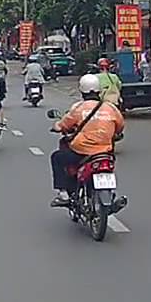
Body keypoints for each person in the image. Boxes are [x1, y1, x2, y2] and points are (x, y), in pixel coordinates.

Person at [49, 74, 125, 207]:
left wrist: (56, 126)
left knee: (57, 157)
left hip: (82, 153)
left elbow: (63, 125)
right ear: (99, 91)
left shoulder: (78, 108)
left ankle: (63, 193)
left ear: (81, 91)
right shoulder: (111, 108)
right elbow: (120, 127)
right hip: (105, 153)